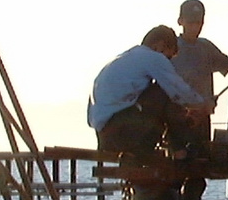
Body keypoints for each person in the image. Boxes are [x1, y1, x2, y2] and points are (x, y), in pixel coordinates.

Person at [171, 0, 228, 200]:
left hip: (201, 120)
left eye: (199, 22)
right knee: (175, 171)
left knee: (198, 172)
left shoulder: (206, 48)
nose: (196, 26)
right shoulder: (171, 48)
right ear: (181, 21)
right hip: (176, 119)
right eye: (192, 21)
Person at [88, 25, 208, 154]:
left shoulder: (126, 58)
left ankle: (172, 147)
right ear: (160, 45)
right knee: (164, 92)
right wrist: (203, 104)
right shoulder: (152, 57)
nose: (167, 61)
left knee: (161, 94)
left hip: (105, 137)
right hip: (122, 133)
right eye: (168, 57)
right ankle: (179, 151)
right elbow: (178, 89)